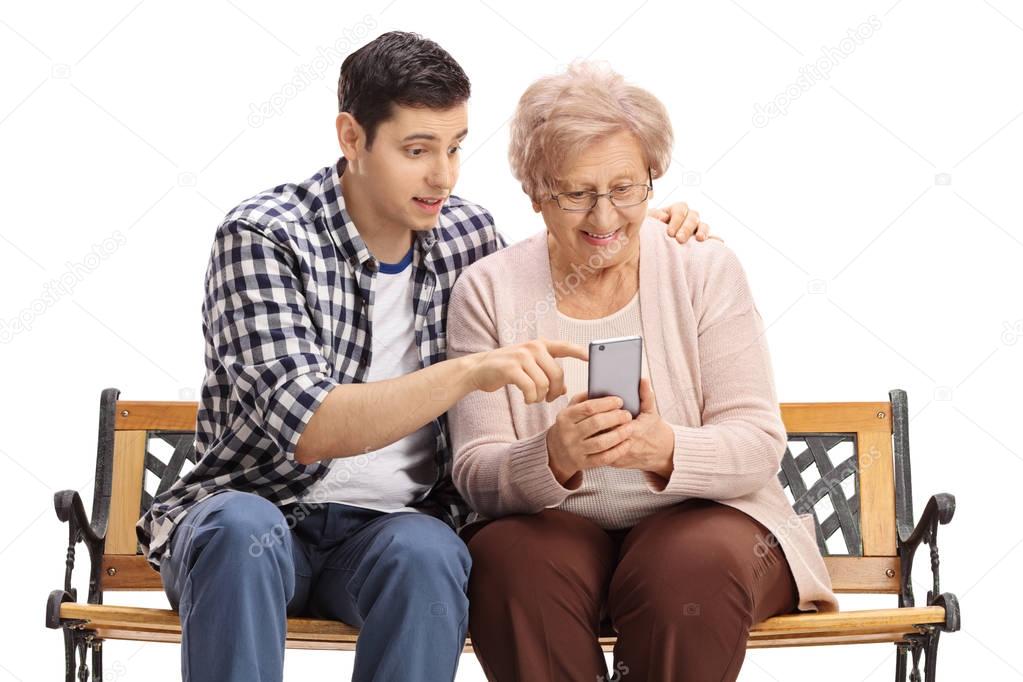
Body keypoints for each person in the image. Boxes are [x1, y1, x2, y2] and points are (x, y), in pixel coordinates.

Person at [137, 33, 712, 682]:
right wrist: (465, 372)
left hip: (387, 535)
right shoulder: (266, 236)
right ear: (351, 138)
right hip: (261, 521)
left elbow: (564, 255)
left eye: (455, 146)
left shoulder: (467, 234)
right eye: (417, 150)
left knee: (428, 551)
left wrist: (642, 222)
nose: (443, 174)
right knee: (240, 531)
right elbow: (310, 429)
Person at [447, 61, 839, 682]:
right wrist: (551, 456)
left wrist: (667, 448)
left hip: (707, 523)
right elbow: (474, 472)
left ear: (652, 180)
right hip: (558, 531)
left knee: (685, 571)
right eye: (576, 194)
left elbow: (759, 442)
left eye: (626, 188)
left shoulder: (701, 267)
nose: (604, 220)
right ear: (534, 193)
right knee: (508, 562)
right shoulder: (487, 291)